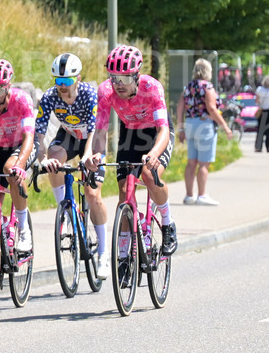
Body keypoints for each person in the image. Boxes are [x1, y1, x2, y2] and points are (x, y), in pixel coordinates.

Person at [85, 45, 177, 257]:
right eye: (114, 78)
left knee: (148, 175)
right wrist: (97, 154)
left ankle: (167, 222)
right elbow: (100, 130)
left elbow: (163, 129)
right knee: (125, 190)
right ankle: (124, 255)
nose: (119, 85)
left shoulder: (152, 87)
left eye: (125, 79)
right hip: (130, 133)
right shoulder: (105, 91)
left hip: (156, 133)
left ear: (137, 76)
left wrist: (154, 154)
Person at [35, 52, 109, 276]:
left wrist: (88, 156)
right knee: (54, 158)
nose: (62, 86)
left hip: (92, 138)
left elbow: (95, 130)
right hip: (68, 135)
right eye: (58, 81)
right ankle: (64, 210)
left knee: (92, 194)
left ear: (78, 79)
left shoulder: (88, 94)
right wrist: (43, 160)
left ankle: (103, 253)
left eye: (66, 81)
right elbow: (38, 135)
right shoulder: (49, 97)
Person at [0, 58, 36, 254]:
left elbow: (29, 137)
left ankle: (23, 228)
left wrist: (20, 164)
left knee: (10, 170)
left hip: (21, 145)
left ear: (8, 86)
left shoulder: (22, 100)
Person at [175, 58, 235, 206]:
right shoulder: (208, 87)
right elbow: (211, 108)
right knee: (203, 163)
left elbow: (180, 108)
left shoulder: (188, 88)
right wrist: (225, 126)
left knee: (191, 162)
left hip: (189, 124)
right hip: (204, 124)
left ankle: (189, 196)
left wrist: (181, 128)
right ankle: (202, 195)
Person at [254, 74, 269, 153]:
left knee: (260, 130)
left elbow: (257, 101)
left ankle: (258, 147)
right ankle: (268, 147)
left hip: (262, 111)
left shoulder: (259, 89)